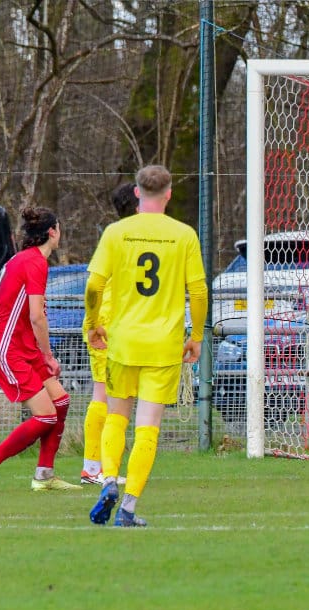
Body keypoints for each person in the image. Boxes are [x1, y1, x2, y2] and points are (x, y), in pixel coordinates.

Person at [84, 165, 207, 526]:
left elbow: (93, 287)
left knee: (116, 415)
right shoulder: (183, 235)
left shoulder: (116, 232)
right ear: (168, 194)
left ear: (137, 193)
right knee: (148, 427)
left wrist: (93, 324)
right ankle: (128, 508)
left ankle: (109, 479)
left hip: (122, 341)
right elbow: (199, 292)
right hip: (163, 346)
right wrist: (197, 336)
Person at [0, 207, 80, 491]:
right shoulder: (34, 262)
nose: (60, 233)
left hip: (22, 343)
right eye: (59, 228)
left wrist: (41, 353)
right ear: (52, 232)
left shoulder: (27, 259)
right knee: (46, 415)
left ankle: (44, 475)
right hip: (5, 345)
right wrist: (48, 356)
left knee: (61, 401)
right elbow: (37, 316)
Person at [79, 182, 136, 485]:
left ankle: (99, 466)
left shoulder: (130, 236)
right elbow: (94, 285)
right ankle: (92, 468)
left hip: (119, 326)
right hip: (105, 325)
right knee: (103, 394)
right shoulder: (118, 237)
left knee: (116, 395)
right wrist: (93, 324)